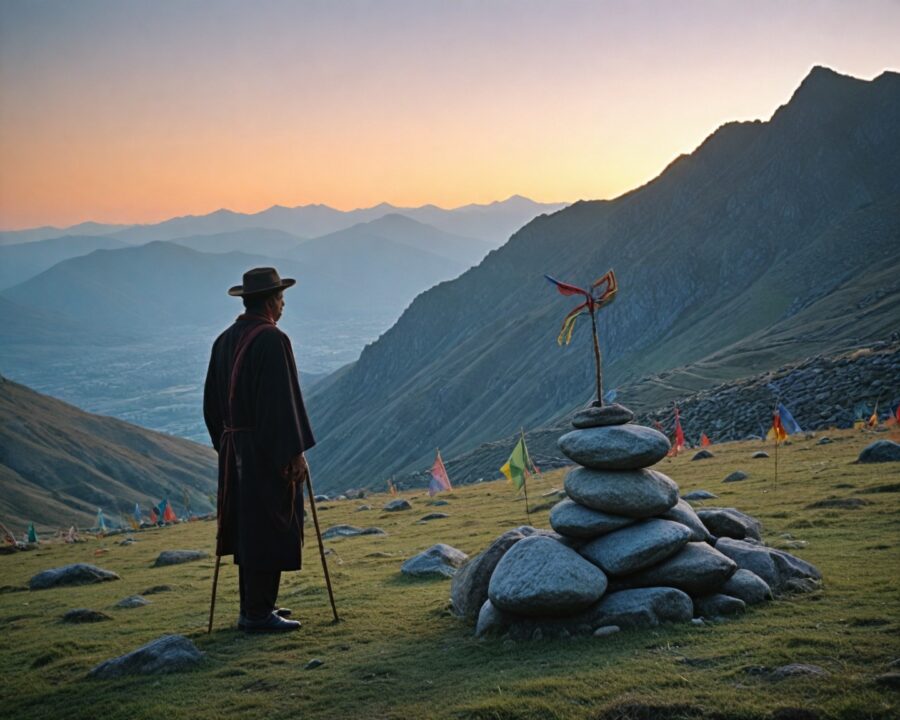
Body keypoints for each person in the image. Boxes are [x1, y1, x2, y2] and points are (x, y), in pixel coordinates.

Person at [203, 267, 316, 633]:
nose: (283, 305)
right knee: (270, 526)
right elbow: (281, 403)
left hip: (233, 448)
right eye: (281, 298)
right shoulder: (272, 339)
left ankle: (255, 606)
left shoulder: (223, 341)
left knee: (249, 529)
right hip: (264, 451)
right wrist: (293, 453)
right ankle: (256, 614)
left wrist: (227, 445)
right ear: (270, 301)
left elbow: (210, 405)